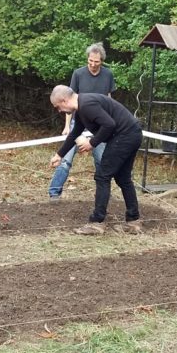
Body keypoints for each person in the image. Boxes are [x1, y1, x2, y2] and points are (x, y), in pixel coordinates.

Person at [49, 85, 142, 235]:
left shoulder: (87, 105)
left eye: (58, 107)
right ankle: (133, 221)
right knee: (123, 179)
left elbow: (109, 124)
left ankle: (97, 223)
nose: (59, 111)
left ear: (64, 100)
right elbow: (74, 134)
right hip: (132, 134)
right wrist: (59, 155)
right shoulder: (81, 109)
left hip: (125, 136)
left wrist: (92, 143)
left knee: (102, 176)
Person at [48, 42, 115, 199]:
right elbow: (68, 100)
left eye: (96, 61)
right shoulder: (78, 74)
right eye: (90, 61)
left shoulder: (108, 75)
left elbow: (109, 98)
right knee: (66, 159)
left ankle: (103, 194)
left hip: (100, 124)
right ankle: (54, 194)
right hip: (79, 121)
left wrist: (110, 118)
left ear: (102, 61)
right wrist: (67, 126)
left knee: (101, 160)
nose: (92, 64)